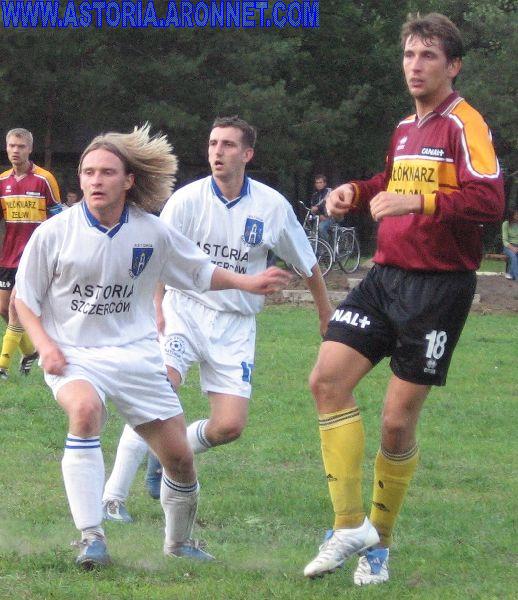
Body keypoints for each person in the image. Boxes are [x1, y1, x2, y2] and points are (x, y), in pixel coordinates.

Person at [14, 124, 291, 569]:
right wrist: (45, 344)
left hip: (137, 355)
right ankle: (91, 537)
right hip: (75, 353)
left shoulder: (151, 232)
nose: (95, 181)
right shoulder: (55, 232)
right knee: (85, 411)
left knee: (179, 459)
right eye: (88, 172)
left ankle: (179, 544)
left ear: (129, 180)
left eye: (107, 172)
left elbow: (199, 272)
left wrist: (248, 282)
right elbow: (24, 300)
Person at [303, 13, 504, 586]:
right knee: (326, 381)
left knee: (395, 425)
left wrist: (417, 202)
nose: (415, 66)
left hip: (439, 288)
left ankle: (379, 548)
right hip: (385, 277)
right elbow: (391, 180)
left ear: (453, 66)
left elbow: (490, 201)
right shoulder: (404, 127)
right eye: (410, 55)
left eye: (429, 56)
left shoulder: (465, 124)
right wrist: (357, 190)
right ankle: (348, 526)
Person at [102, 116, 333, 523]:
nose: (217, 152)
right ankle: (112, 499)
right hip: (184, 311)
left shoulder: (271, 206)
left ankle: (168, 451)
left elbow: (307, 263)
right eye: (213, 144)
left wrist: (325, 313)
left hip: (236, 325)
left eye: (227, 144)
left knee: (229, 426)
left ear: (247, 154)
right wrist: (157, 306)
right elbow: (159, 256)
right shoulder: (187, 200)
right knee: (158, 392)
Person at [0, 128, 62, 379]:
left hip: (35, 256)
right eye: (12, 146)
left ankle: (2, 366)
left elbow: (58, 215)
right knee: (3, 308)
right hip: (9, 255)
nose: (16, 150)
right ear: (6, 148)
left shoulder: (44, 179)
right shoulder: (2, 181)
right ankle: (30, 351)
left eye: (21, 146)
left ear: (30, 149)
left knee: (16, 306)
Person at [309, 174, 332, 242]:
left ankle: (327, 245)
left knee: (321, 228)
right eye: (317, 183)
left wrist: (318, 209)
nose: (318, 184)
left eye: (320, 182)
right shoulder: (314, 195)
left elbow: (325, 203)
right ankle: (315, 247)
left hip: (330, 217)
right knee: (310, 230)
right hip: (318, 217)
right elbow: (312, 209)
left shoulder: (329, 192)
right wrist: (310, 218)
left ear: (325, 183)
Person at [502, 208, 518, 280]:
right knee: (514, 256)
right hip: (508, 246)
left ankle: (510, 273)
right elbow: (505, 241)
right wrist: (513, 248)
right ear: (512, 215)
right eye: (517, 214)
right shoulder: (506, 224)